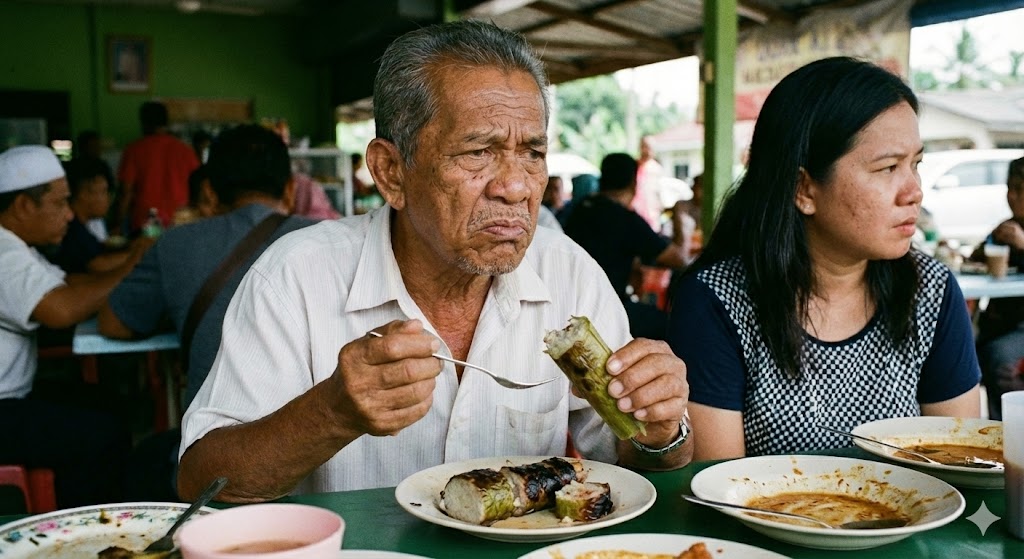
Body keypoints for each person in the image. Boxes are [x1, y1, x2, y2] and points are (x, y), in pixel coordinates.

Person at [176, 20, 692, 502]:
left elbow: (638, 465)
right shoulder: (297, 275)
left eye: (532, 153)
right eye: (478, 153)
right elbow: (202, 482)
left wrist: (662, 432)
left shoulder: (569, 273)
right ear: (391, 172)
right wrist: (330, 413)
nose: (515, 187)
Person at [667, 57, 981, 461]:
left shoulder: (931, 292)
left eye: (915, 164)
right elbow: (722, 488)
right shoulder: (718, 302)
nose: (914, 191)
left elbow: (960, 462)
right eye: (887, 168)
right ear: (804, 189)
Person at [0, 145, 140, 508]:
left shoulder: (19, 247)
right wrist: (132, 266)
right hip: (4, 407)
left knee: (107, 403)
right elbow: (61, 308)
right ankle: (88, 529)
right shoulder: (3, 254)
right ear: (23, 206)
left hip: (16, 397)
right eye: (60, 204)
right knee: (100, 434)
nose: (68, 215)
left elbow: (71, 284)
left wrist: (133, 261)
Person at [564, 153, 691, 340]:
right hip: (607, 309)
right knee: (678, 326)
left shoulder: (580, 209)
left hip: (570, 304)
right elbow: (679, 259)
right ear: (634, 183)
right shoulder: (626, 219)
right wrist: (681, 217)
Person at [968, 156, 1024, 420]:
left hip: (1019, 328)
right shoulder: (1007, 227)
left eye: (1021, 189)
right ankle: (995, 432)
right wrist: (984, 250)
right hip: (998, 321)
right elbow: (975, 259)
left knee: (999, 356)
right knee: (964, 352)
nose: (1013, 196)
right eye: (1010, 188)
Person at [117, 101, 200, 236]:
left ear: (143, 122)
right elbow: (198, 188)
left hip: (146, 224)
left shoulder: (134, 150)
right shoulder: (185, 150)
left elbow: (126, 192)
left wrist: (118, 224)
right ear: (166, 122)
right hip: (180, 222)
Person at [53, 158, 150, 274]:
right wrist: (142, 252)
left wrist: (132, 246)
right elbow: (97, 264)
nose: (108, 199)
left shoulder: (82, 226)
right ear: (84, 194)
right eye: (104, 191)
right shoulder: (71, 228)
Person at [632, 136, 664, 229]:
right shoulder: (634, 167)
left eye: (650, 147)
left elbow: (659, 194)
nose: (647, 150)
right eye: (644, 146)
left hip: (652, 218)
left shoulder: (657, 169)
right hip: (635, 216)